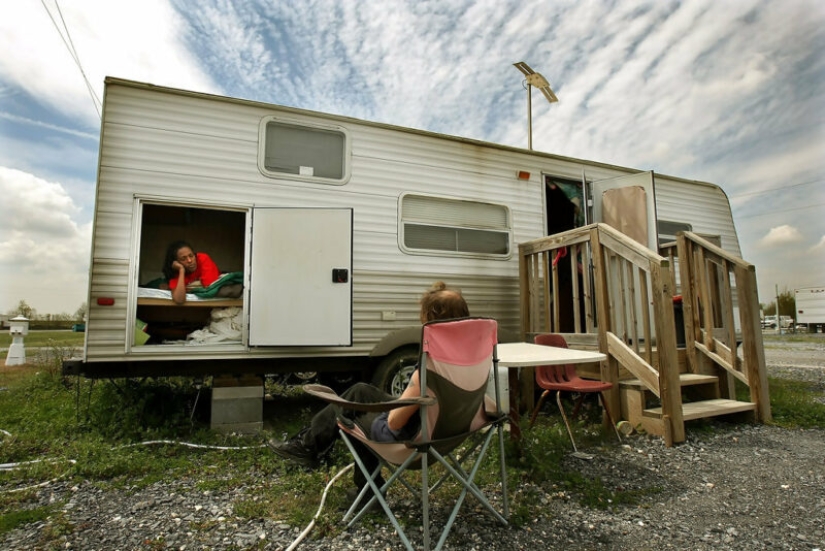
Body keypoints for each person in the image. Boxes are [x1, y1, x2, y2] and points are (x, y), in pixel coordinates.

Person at [267, 281, 470, 490]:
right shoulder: (471, 358)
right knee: (360, 391)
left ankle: (369, 493)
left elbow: (395, 423)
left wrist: (391, 410)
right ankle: (308, 444)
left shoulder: (430, 367)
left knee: (351, 414)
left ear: (430, 320)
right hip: (447, 433)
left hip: (416, 439)